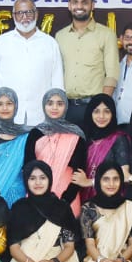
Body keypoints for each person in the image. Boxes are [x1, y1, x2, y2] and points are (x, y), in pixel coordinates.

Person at [0, 0, 63, 125]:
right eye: (19, 13)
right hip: (7, 118)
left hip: (42, 118)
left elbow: (57, 85)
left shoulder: (50, 43)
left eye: (29, 12)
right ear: (13, 16)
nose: (24, 17)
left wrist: (56, 121)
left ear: (36, 14)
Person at [54, 0, 118, 125]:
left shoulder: (106, 35)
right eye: (75, 2)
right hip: (66, 108)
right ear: (69, 5)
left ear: (92, 5)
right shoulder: (60, 36)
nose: (79, 6)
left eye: (84, 2)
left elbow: (112, 75)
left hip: (95, 107)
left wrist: (102, 107)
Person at [23, 88, 90, 218]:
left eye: (60, 103)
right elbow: (28, 167)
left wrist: (65, 200)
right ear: (44, 105)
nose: (54, 107)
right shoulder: (36, 133)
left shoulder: (76, 134)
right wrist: (37, 196)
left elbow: (79, 172)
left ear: (66, 106)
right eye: (50, 103)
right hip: (38, 193)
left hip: (67, 195)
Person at [80, 93, 128, 206]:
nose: (101, 116)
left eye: (107, 111)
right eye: (96, 111)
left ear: (113, 114)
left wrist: (90, 182)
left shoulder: (118, 138)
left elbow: (124, 176)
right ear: (90, 113)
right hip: (83, 198)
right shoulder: (83, 138)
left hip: (109, 199)